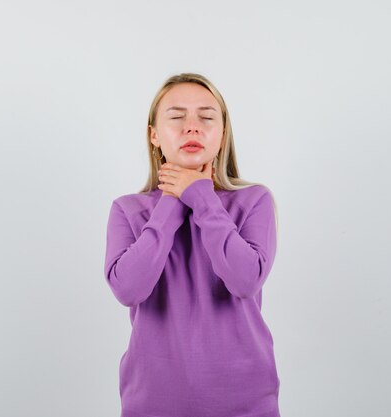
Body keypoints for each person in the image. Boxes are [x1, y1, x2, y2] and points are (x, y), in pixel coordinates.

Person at [104, 73, 281, 417]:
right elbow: (128, 288)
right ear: (154, 135)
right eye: (176, 116)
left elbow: (245, 281)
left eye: (206, 117)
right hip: (152, 403)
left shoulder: (254, 201)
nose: (192, 127)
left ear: (222, 134)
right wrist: (172, 199)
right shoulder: (127, 209)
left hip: (247, 403)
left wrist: (201, 196)